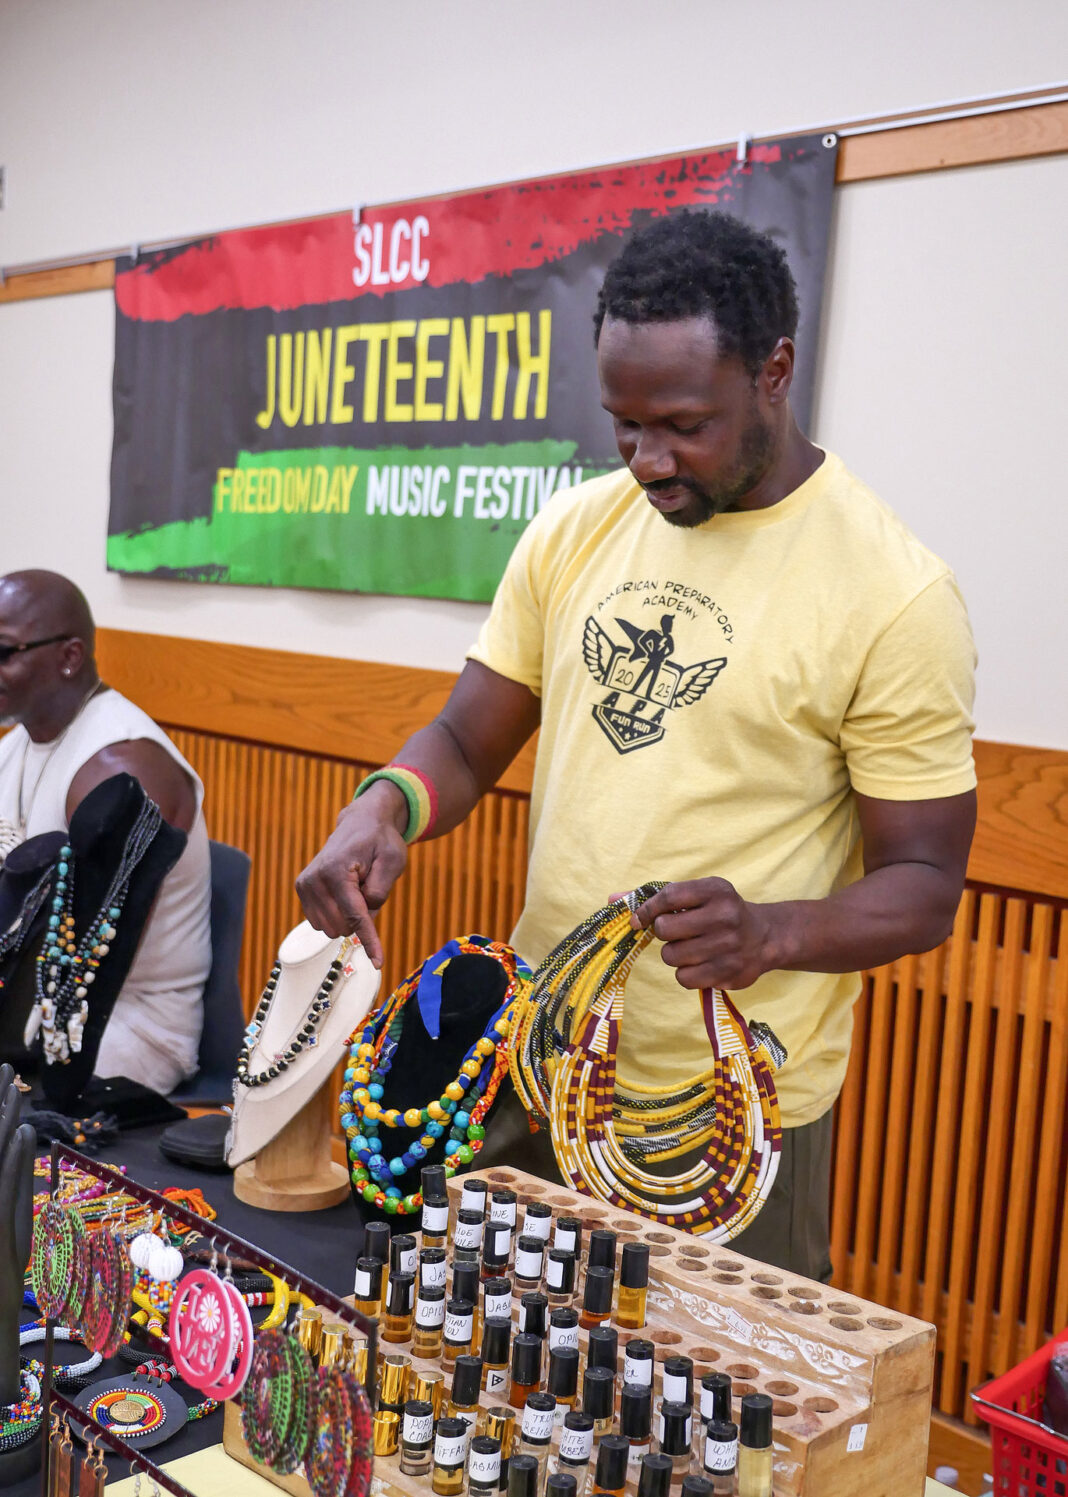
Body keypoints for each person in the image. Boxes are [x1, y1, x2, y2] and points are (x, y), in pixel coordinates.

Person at [297, 211, 977, 1278]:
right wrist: (386, 804)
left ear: (775, 372)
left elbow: (926, 883)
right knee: (491, 1403)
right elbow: (468, 746)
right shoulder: (573, 530)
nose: (647, 459)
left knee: (710, 1434)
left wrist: (773, 932)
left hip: (729, 1122)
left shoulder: (895, 594)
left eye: (682, 423)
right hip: (537, 1068)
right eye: (622, 423)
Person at [0, 571, 211, 1093]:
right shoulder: (15, 746)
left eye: (4, 651)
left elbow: (80, 969)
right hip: (33, 1000)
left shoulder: (122, 770)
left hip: (127, 1025)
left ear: (69, 656)